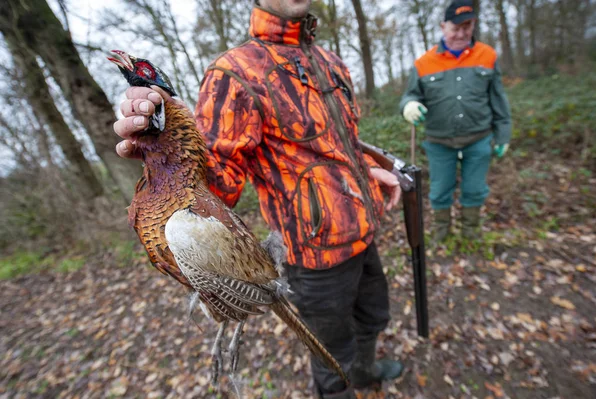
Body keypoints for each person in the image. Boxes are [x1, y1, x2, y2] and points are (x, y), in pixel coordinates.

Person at [112, 1, 404, 397]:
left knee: (373, 316)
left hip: (364, 227)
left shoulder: (327, 59)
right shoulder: (232, 74)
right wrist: (168, 138)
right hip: (312, 252)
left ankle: (366, 373)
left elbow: (337, 146)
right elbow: (217, 186)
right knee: (332, 350)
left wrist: (368, 168)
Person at [399, 0, 512, 243]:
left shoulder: (488, 56)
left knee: (474, 189)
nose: (462, 33)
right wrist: (409, 105)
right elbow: (410, 95)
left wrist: (503, 134)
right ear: (443, 26)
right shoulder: (423, 63)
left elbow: (499, 99)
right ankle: (442, 234)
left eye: (467, 27)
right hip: (439, 142)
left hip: (479, 139)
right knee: (440, 190)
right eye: (456, 28)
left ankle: (471, 233)